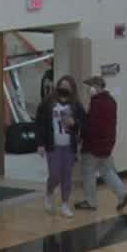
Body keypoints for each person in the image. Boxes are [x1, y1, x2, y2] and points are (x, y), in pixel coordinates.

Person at [74, 76, 127, 213]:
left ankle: (90, 201)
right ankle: (122, 193)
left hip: (94, 145)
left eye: (90, 86)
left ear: (97, 86)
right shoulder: (111, 101)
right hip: (107, 144)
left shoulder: (97, 103)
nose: (88, 89)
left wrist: (82, 137)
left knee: (88, 172)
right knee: (106, 171)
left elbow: (92, 126)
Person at [35, 78, 83, 217]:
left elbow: (83, 123)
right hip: (53, 145)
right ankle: (49, 192)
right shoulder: (48, 103)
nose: (64, 89)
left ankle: (65, 204)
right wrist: (40, 144)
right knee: (55, 175)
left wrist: (74, 123)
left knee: (67, 176)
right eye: (62, 86)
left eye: (67, 87)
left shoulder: (75, 105)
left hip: (69, 146)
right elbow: (39, 124)